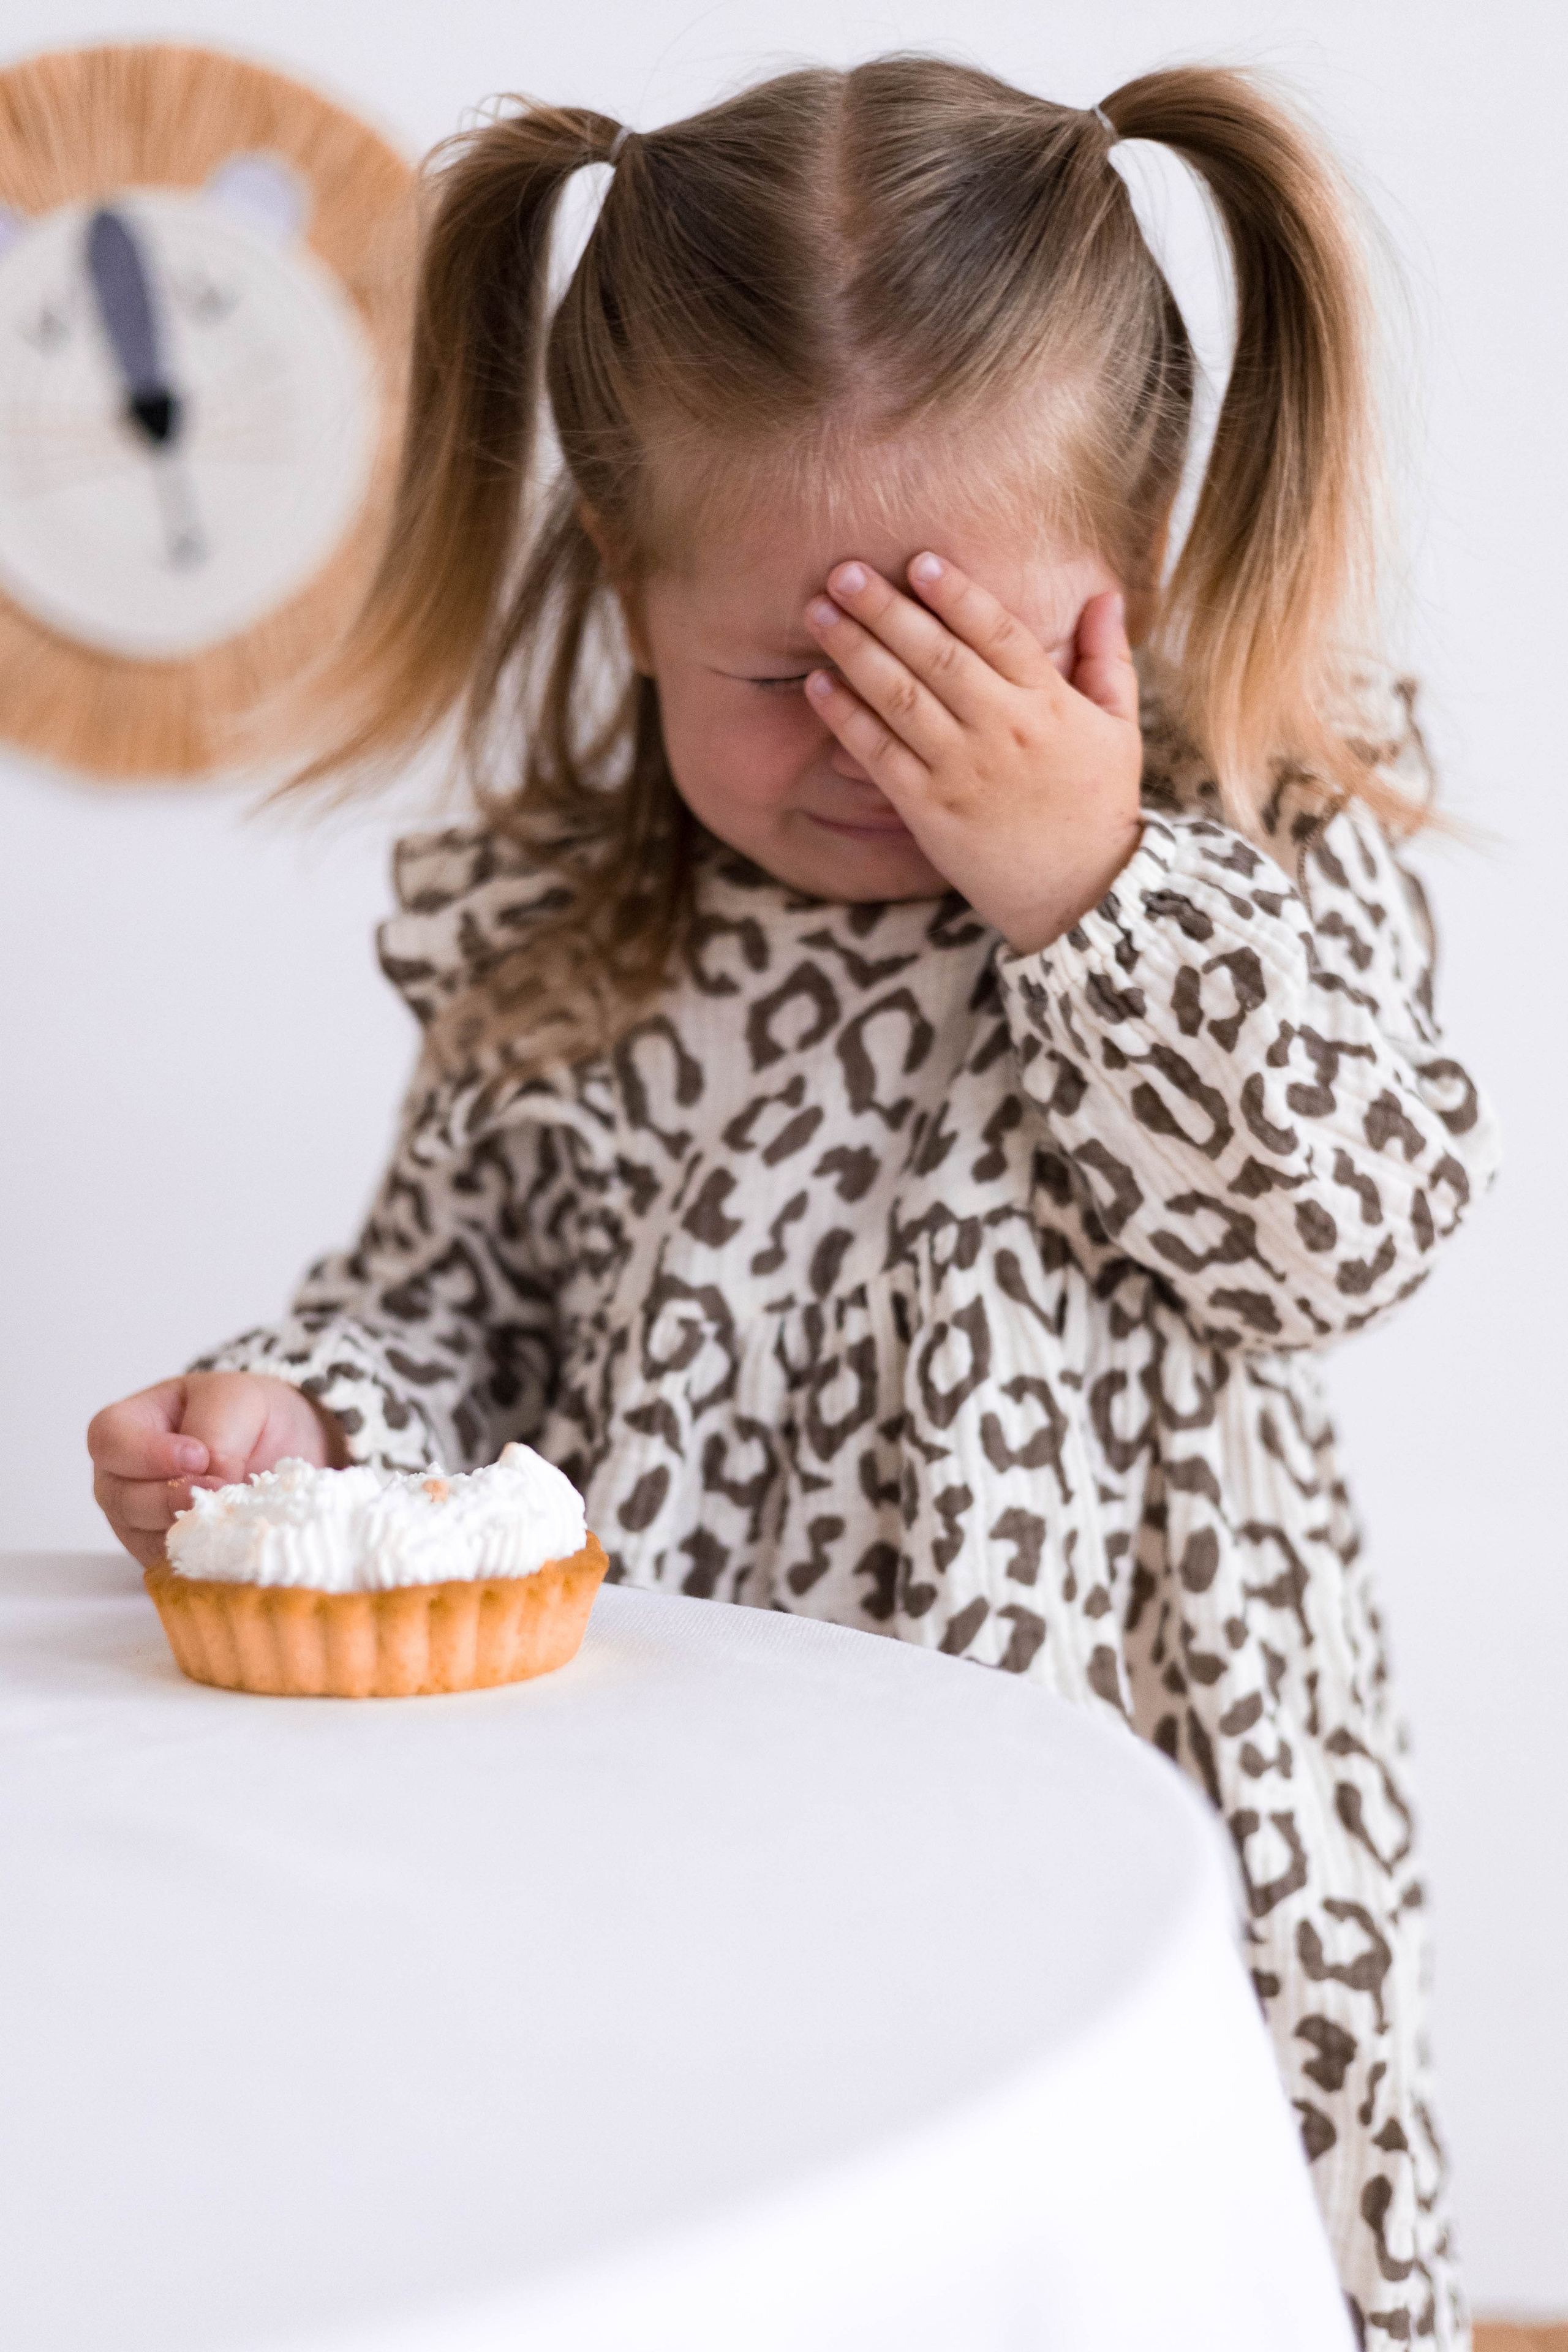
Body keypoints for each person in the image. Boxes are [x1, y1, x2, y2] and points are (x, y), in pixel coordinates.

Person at [87, 58, 1497, 2344]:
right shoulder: (569, 932)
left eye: (958, 674)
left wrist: (1092, 881)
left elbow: (1355, 1230)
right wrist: (307, 1419)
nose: (877, 751)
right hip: (688, 1805)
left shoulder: (1247, 854)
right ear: (632, 595)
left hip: (1162, 1798)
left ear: (1131, 580)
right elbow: (448, 1297)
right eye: (787, 675)